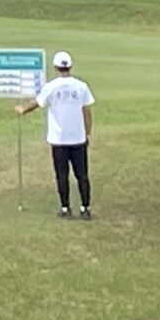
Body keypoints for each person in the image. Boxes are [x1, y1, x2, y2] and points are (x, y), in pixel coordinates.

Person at [16, 50, 96, 219]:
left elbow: (37, 103)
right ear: (70, 67)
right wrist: (88, 132)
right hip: (78, 138)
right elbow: (87, 111)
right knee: (82, 174)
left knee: (62, 174)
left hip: (59, 139)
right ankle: (85, 207)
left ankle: (65, 207)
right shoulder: (81, 86)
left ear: (55, 67)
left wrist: (22, 110)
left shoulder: (51, 87)